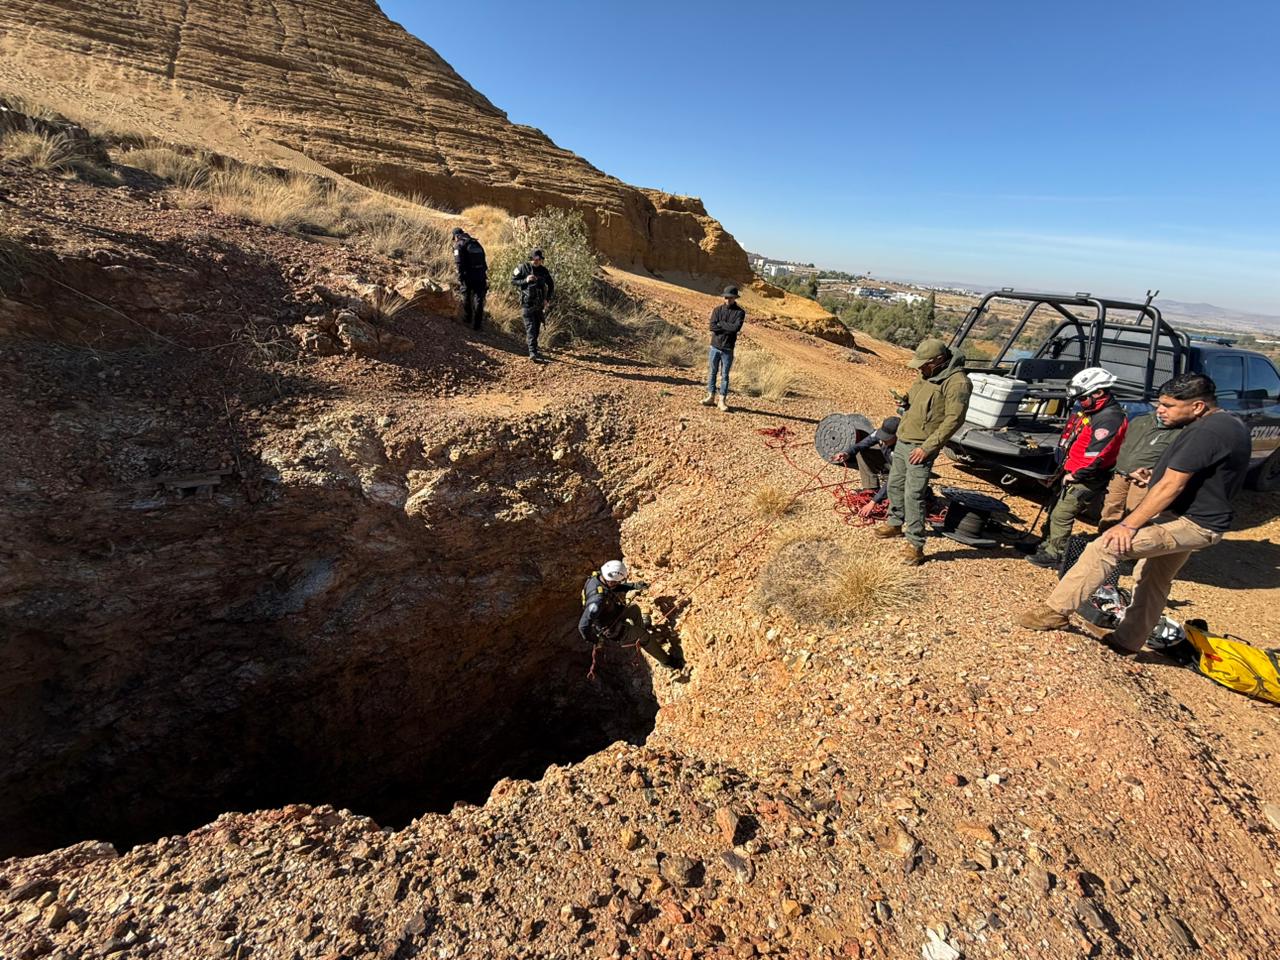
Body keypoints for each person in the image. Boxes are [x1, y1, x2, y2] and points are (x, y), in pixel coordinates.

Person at [1019, 373, 1251, 653]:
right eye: (1160, 403)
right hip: (1193, 519)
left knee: (1105, 547)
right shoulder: (1224, 424)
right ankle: (1127, 640)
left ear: (1197, 406)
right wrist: (1152, 476)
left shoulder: (1206, 432)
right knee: (1152, 577)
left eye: (1168, 405)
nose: (1160, 410)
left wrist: (1128, 526)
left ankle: (1054, 612)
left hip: (1190, 523)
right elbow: (1201, 475)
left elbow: (1172, 485)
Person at [874, 339, 971, 565]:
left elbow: (953, 420)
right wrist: (905, 401)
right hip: (904, 438)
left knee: (913, 494)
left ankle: (915, 544)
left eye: (923, 364)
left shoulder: (958, 383)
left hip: (921, 447)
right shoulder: (926, 373)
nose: (919, 368)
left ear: (938, 360)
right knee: (895, 484)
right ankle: (895, 523)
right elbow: (917, 398)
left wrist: (927, 448)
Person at [1024, 368, 1128, 568]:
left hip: (1085, 476)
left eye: (1084, 398)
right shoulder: (1091, 410)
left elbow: (1098, 455)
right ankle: (1045, 544)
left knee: (1063, 513)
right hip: (1069, 468)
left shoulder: (1109, 418)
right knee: (1054, 507)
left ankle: (1056, 553)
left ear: (1098, 393)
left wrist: (1076, 475)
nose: (1080, 402)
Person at [579, 560, 677, 670]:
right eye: (618, 581)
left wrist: (634, 586)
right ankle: (666, 662)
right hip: (612, 628)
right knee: (645, 637)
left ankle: (640, 635)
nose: (619, 583)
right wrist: (596, 640)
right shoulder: (597, 601)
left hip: (613, 615)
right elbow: (583, 626)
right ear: (611, 581)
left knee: (634, 609)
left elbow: (615, 587)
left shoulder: (598, 578)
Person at [1098, 410, 1181, 531]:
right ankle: (1103, 538)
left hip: (1143, 480)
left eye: (1169, 406)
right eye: (1161, 404)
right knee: (1111, 508)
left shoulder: (1180, 431)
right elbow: (1122, 442)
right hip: (1120, 474)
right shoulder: (1141, 420)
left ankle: (1129, 545)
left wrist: (1154, 472)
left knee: (1136, 512)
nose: (1163, 409)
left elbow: (1176, 460)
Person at [833, 416, 899, 517]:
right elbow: (861, 444)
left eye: (887, 438)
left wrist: (873, 502)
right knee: (861, 451)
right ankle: (871, 489)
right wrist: (847, 453)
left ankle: (880, 494)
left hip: (901, 474)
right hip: (890, 464)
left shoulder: (904, 449)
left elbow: (895, 477)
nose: (883, 440)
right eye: (882, 436)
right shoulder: (880, 434)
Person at [701, 286, 745, 412]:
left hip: (728, 348)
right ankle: (710, 396)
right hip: (715, 346)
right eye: (726, 297)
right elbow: (712, 326)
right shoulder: (717, 310)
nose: (727, 300)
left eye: (730, 298)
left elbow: (735, 328)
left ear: (735, 298)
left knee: (725, 375)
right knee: (712, 372)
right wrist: (725, 327)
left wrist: (720, 324)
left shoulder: (740, 312)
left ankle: (722, 400)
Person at [511, 249, 554, 362]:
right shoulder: (522, 267)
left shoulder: (544, 270)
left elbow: (551, 285)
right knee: (531, 328)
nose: (537, 261)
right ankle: (533, 353)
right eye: (535, 259)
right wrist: (525, 280)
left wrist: (547, 299)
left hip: (539, 305)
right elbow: (513, 281)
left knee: (537, 329)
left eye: (539, 259)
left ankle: (534, 349)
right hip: (527, 304)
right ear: (531, 258)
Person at [452, 227, 488, 331]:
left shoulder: (459, 244)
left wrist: (460, 276)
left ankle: (467, 319)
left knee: (466, 295)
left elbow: (458, 263)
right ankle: (477, 325)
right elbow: (484, 260)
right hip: (481, 275)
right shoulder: (476, 243)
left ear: (456, 236)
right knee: (479, 299)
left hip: (468, 275)